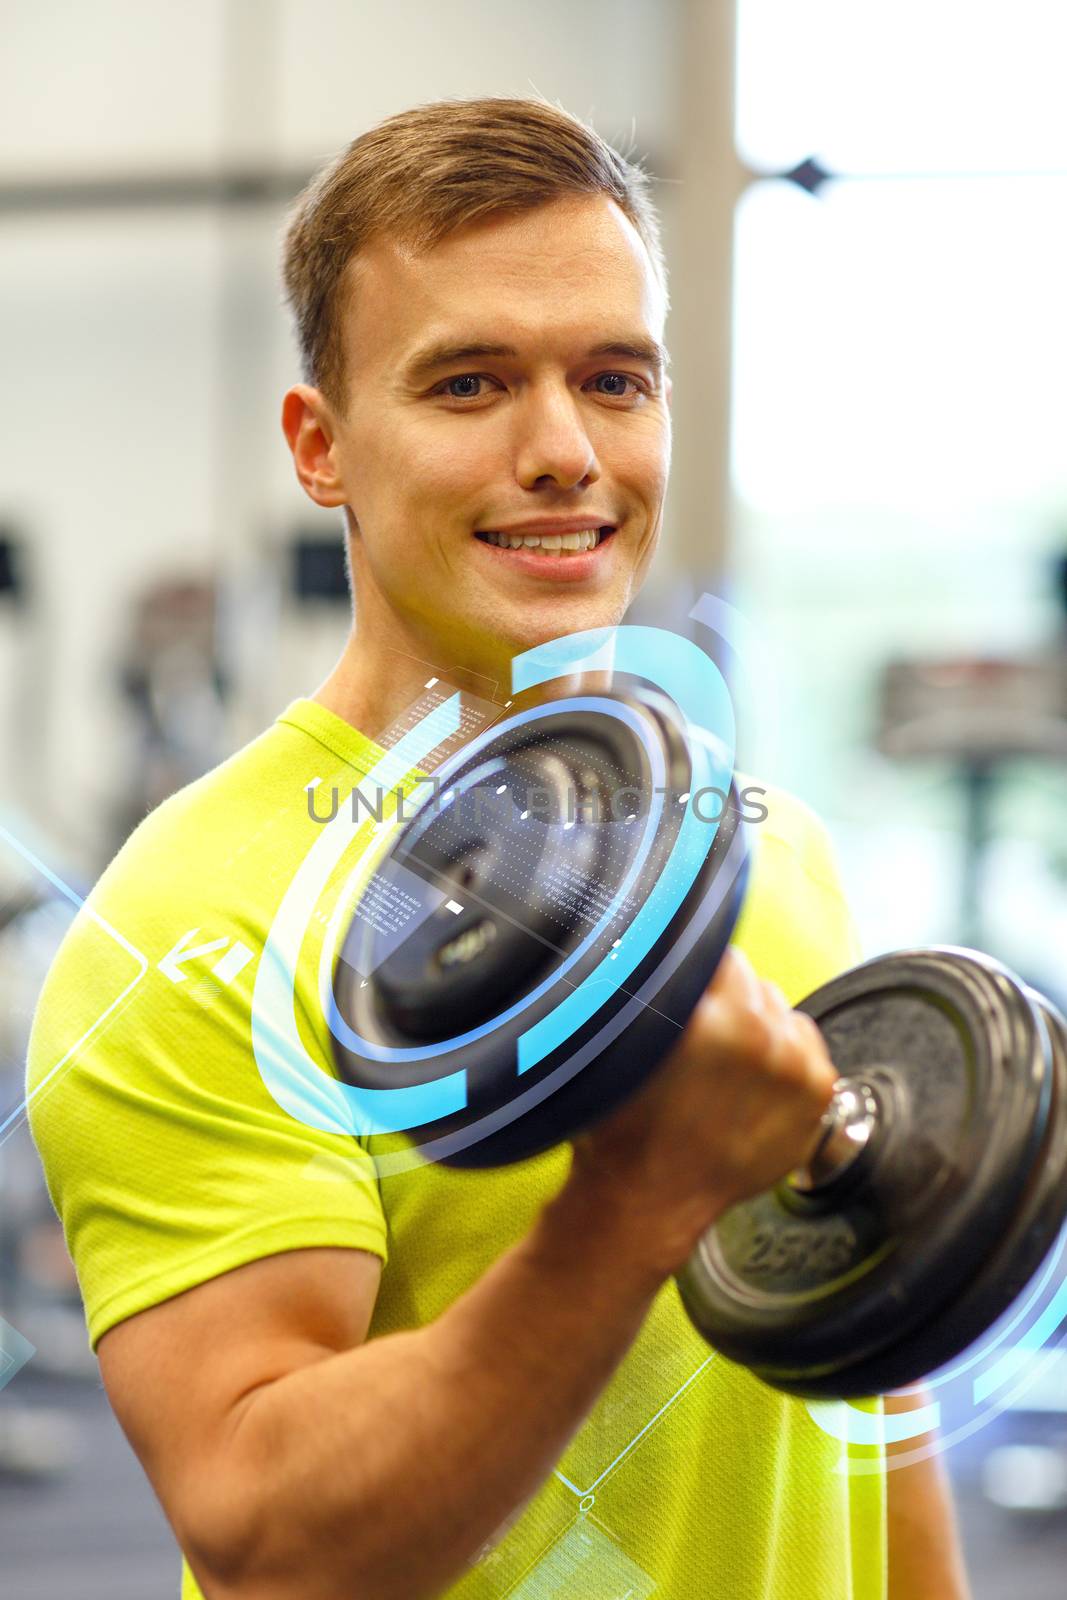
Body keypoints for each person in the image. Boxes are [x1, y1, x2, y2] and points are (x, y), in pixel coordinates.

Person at [27, 98, 970, 1599]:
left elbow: (873, 1383)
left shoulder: (765, 849)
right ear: (321, 448)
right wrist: (632, 1206)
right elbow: (271, 1541)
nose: (564, 452)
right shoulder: (190, 931)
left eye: (614, 380)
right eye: (470, 384)